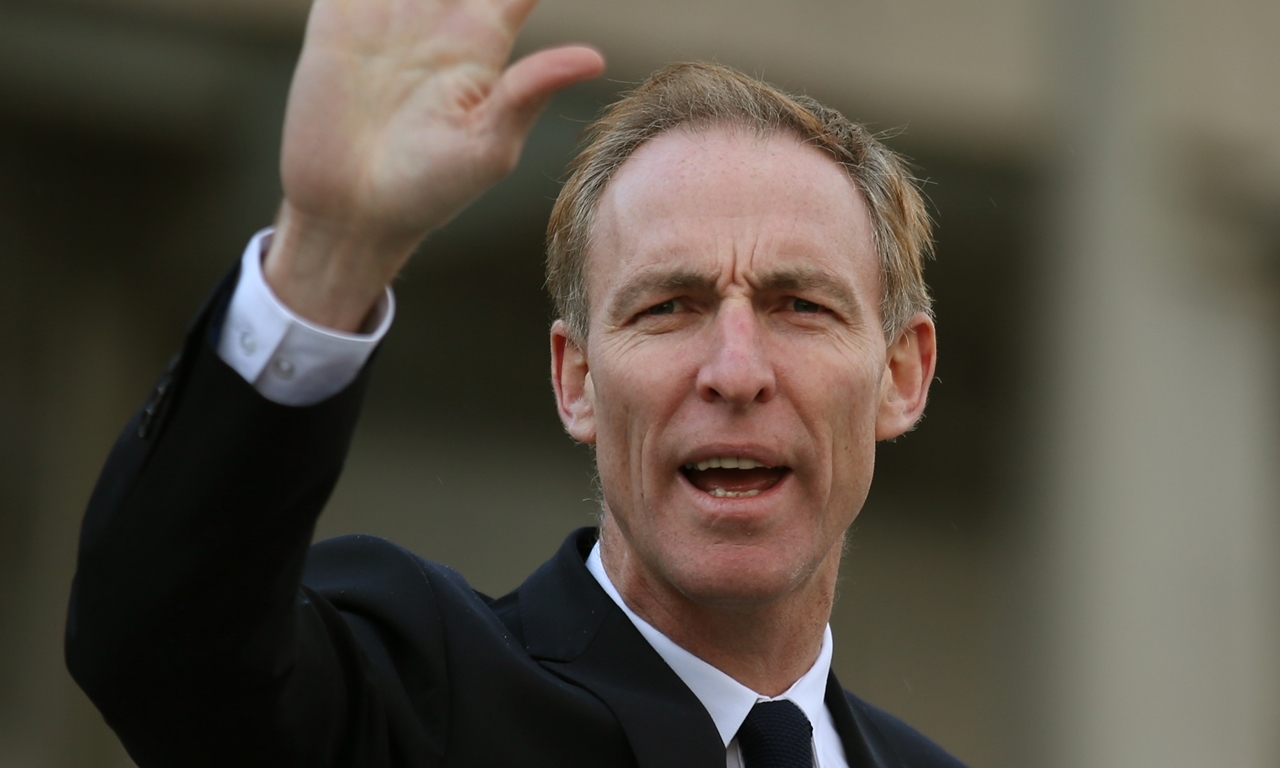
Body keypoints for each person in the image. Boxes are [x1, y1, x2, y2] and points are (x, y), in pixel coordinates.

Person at [65, 0, 958, 765]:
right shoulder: (408, 700)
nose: (734, 371)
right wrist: (329, 249)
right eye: (667, 308)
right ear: (575, 382)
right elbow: (164, 651)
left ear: (901, 375)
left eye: (799, 306)